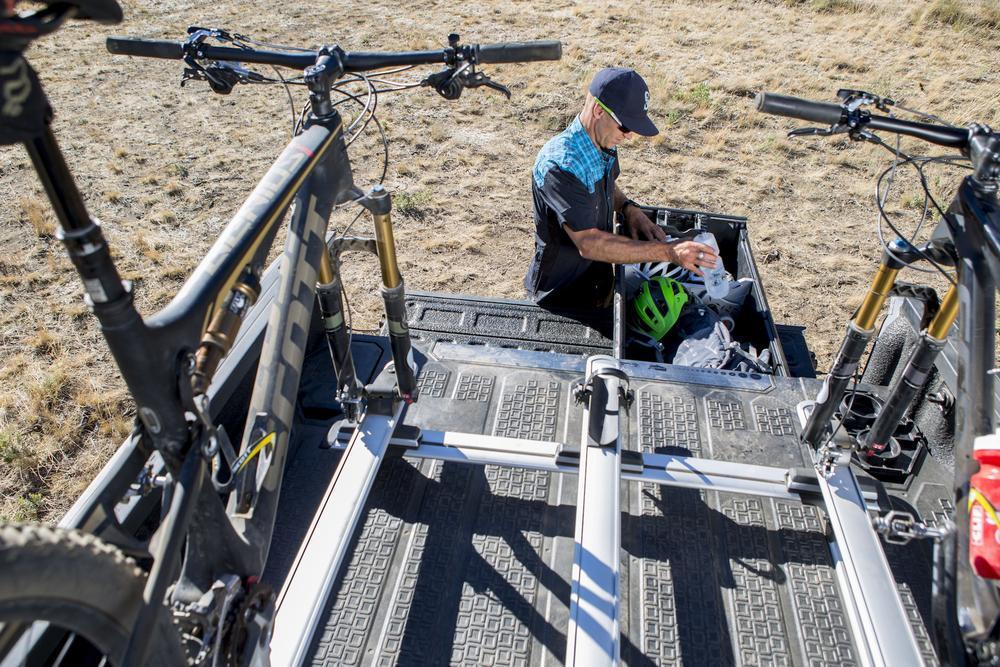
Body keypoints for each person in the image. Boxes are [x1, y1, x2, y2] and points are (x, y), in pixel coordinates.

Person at [524, 67, 718, 309]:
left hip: (595, 282)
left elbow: (605, 185)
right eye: (625, 127)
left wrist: (628, 208)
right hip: (561, 297)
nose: (629, 137)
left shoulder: (602, 141)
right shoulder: (561, 166)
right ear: (598, 110)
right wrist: (669, 252)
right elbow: (589, 243)